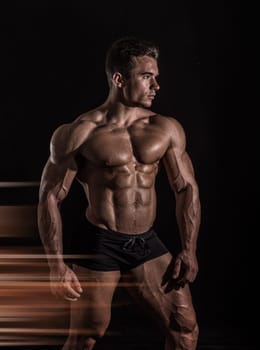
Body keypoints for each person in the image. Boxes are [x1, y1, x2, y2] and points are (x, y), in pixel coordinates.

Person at [37, 36, 201, 350]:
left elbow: (186, 188)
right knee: (87, 336)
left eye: (156, 77)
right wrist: (55, 266)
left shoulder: (165, 128)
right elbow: (51, 196)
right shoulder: (80, 132)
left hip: (145, 241)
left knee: (184, 330)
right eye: (146, 76)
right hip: (101, 241)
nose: (156, 85)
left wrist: (189, 249)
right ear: (119, 78)